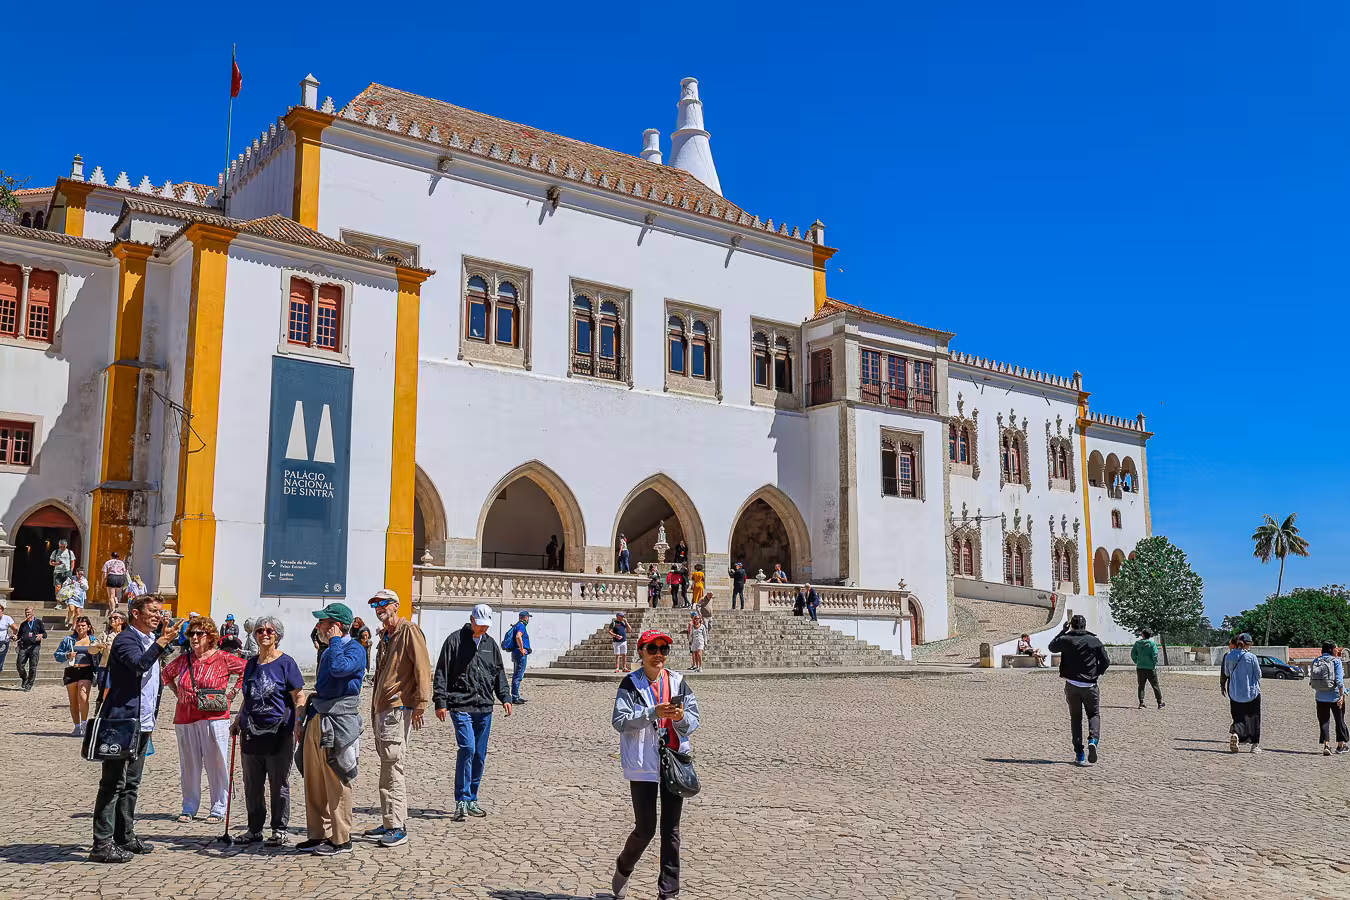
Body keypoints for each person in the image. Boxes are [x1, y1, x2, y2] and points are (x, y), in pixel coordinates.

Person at [610, 629, 700, 900]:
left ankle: (668, 892)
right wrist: (652, 713)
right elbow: (620, 721)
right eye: (652, 649)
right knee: (646, 828)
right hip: (643, 763)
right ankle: (624, 866)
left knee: (671, 830)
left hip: (673, 760)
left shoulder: (678, 682)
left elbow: (693, 721)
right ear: (641, 652)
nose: (659, 654)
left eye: (664, 649)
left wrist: (680, 717)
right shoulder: (630, 684)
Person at [89, 593, 179, 862]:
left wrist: (161, 642)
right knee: (113, 783)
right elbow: (139, 666)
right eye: (152, 611)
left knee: (131, 783)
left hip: (143, 722)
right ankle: (101, 844)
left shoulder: (149, 640)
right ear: (136, 613)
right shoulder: (126, 639)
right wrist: (163, 641)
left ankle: (124, 836)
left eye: (159, 611)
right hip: (122, 721)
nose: (158, 615)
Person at [362, 588, 431, 848]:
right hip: (383, 707)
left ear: (396, 605)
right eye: (375, 605)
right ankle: (389, 818)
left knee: (393, 765)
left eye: (383, 603)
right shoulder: (387, 636)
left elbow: (422, 666)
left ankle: (397, 826)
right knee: (387, 765)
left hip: (397, 707)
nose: (379, 608)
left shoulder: (408, 631)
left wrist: (422, 702)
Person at [296, 602, 367, 855]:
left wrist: (335, 641)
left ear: (336, 626)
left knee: (337, 778)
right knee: (314, 780)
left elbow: (339, 670)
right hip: (318, 717)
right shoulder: (327, 651)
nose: (318, 626)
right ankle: (318, 833)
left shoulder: (355, 649)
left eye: (324, 623)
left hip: (338, 721)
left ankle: (341, 838)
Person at [161, 615, 247, 823]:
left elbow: (248, 670)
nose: (195, 637)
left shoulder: (223, 658)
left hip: (214, 716)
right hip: (185, 716)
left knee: (216, 761)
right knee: (189, 764)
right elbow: (165, 674)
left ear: (210, 636)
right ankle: (189, 806)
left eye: (200, 633)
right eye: (192, 633)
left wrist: (233, 693)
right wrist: (177, 692)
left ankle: (219, 806)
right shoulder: (185, 659)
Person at [432, 603, 513, 822]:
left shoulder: (490, 644)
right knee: (467, 748)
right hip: (460, 705)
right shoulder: (454, 640)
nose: (483, 629)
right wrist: (440, 701)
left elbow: (498, 673)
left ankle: (472, 799)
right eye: (480, 625)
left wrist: (505, 697)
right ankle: (461, 799)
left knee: (479, 754)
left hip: (485, 707)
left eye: (486, 626)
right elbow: (442, 672)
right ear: (471, 619)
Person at [232, 615, 304, 846]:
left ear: (277, 636)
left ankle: (279, 829)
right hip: (251, 731)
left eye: (270, 631)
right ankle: (254, 829)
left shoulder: (286, 663)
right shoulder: (251, 664)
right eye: (260, 630)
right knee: (252, 783)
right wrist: (238, 718)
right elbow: (249, 695)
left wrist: (298, 722)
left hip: (279, 733)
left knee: (278, 782)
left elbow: (298, 696)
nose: (264, 633)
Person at [1048, 614, 1110, 767]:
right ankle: (1093, 740)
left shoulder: (1066, 639)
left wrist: (1062, 632)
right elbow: (1106, 661)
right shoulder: (1094, 640)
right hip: (1090, 685)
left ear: (1072, 625)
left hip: (1072, 684)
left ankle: (1079, 754)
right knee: (1093, 714)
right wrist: (1096, 673)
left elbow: (1051, 647)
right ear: (1085, 625)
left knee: (1076, 718)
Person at [57, 616, 102, 735]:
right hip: (71, 671)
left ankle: (84, 723)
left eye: (83, 626)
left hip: (86, 671)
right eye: (78, 625)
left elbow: (100, 656)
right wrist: (67, 655)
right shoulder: (68, 640)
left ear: (88, 627)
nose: (80, 628)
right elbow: (57, 654)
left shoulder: (93, 640)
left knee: (83, 697)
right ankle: (76, 726)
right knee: (73, 700)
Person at [1220, 633, 1263, 753]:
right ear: (1248, 644)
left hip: (1235, 692)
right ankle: (1254, 746)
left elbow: (1227, 673)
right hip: (1251, 693)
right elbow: (1258, 674)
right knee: (1254, 718)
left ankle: (1236, 734)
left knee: (1238, 718)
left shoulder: (1229, 656)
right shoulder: (1251, 657)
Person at [1309, 641, 1348, 756]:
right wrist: (1342, 696)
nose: (1337, 650)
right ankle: (1340, 746)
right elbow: (1339, 681)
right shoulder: (1336, 661)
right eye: (1336, 648)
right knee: (1339, 720)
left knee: (1324, 721)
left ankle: (1326, 745)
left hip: (1320, 696)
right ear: (1331, 649)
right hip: (1335, 696)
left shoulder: (1316, 661)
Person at [502, 610, 532, 704]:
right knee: (518, 676)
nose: (528, 619)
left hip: (515, 653)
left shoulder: (517, 625)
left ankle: (516, 695)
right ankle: (515, 697)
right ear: (525, 618)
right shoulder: (521, 626)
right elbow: (518, 636)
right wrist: (522, 648)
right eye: (528, 617)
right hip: (520, 654)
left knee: (516, 675)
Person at [15, 605, 46, 691]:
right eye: (26, 612)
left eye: (29, 612)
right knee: (19, 665)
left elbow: (45, 634)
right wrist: (14, 637)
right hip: (24, 647)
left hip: (34, 646)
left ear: (33, 612)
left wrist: (41, 635)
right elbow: (19, 635)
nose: (27, 614)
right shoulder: (23, 624)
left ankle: (29, 683)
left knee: (33, 667)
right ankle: (25, 678)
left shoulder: (38, 622)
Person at [1131, 629, 1165, 708]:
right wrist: (1153, 663)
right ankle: (1159, 702)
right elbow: (1155, 654)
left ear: (1142, 635)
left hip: (1140, 667)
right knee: (1155, 685)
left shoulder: (1137, 643)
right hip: (1150, 668)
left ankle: (1141, 702)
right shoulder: (1152, 644)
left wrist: (1137, 661)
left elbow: (1133, 654)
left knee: (1141, 685)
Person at [0, 600, 13, 674]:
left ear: (2, 610)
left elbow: (15, 629)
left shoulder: (7, 618)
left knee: (0, 660)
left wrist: (14, 635)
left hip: (3, 642)